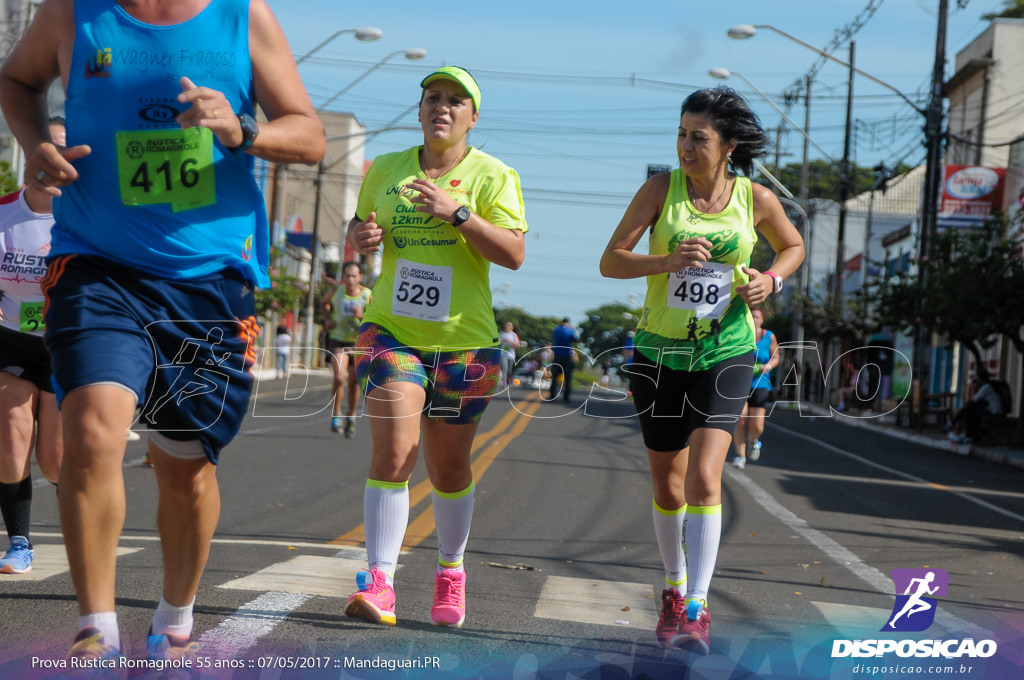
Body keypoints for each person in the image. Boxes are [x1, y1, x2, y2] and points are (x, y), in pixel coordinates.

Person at [0, 0, 325, 664]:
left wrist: (239, 129)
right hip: (96, 263)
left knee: (184, 469)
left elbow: (310, 135)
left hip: (205, 279)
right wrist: (36, 144)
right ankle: (96, 631)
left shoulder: (242, 17)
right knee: (91, 430)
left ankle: (175, 616)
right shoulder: (74, 12)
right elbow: (16, 79)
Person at [599, 87, 803, 654]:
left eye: (699, 137)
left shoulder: (755, 198)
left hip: (727, 350)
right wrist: (663, 261)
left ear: (728, 145)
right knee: (668, 481)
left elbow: (792, 246)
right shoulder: (659, 191)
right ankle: (672, 586)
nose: (686, 146)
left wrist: (771, 280)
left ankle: (697, 606)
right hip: (659, 352)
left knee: (705, 477)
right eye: (682, 133)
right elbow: (611, 259)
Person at [345, 66, 526, 629]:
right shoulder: (387, 170)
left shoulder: (494, 176)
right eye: (432, 98)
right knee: (394, 450)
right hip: (391, 332)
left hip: (464, 345)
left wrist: (460, 214)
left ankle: (451, 570)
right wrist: (359, 237)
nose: (441, 108)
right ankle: (380, 580)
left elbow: (514, 253)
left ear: (474, 117)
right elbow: (358, 227)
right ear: (419, 110)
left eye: (455, 101)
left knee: (448, 469)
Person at [0, 118, 67, 576]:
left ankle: (86, 530)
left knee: (56, 459)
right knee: (12, 438)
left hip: (67, 344)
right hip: (9, 340)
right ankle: (19, 542)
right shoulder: (4, 211)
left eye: (61, 149)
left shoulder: (84, 218)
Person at [322, 261, 372, 436]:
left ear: (360, 277)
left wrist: (363, 315)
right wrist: (328, 319)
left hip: (358, 343)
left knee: (353, 383)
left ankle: (351, 416)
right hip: (338, 341)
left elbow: (377, 315)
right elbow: (323, 303)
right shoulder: (337, 291)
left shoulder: (367, 295)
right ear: (343, 277)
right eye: (347, 276)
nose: (350, 279)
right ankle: (337, 413)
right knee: (338, 376)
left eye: (354, 276)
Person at [731, 308, 778, 470]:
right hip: (740, 383)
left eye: (757, 317)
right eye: (751, 316)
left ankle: (753, 441)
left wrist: (768, 366)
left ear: (762, 319)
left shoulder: (769, 336)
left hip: (761, 384)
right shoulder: (740, 333)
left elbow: (776, 357)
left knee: (756, 426)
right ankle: (740, 455)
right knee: (740, 419)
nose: (754, 319)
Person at [948, 368, 1003, 444]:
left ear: (980, 378)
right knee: (969, 409)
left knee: (968, 408)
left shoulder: (986, 387)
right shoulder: (987, 386)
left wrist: (973, 386)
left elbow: (974, 400)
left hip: (994, 412)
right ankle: (961, 430)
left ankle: (957, 426)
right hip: (991, 410)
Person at [549, 318, 579, 402]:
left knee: (554, 377)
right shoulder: (570, 330)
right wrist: (573, 329)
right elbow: (576, 340)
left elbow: (553, 339)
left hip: (557, 355)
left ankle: (552, 395)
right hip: (567, 356)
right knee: (568, 377)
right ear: (568, 323)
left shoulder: (556, 330)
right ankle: (566, 397)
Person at [498, 321, 521, 387]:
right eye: (506, 325)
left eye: (509, 325)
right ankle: (504, 382)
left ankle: (508, 380)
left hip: (511, 354)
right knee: (505, 368)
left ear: (512, 327)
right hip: (503, 353)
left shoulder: (513, 335)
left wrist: (510, 342)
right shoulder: (501, 333)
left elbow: (518, 345)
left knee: (509, 370)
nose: (507, 326)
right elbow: (497, 342)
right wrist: (501, 341)